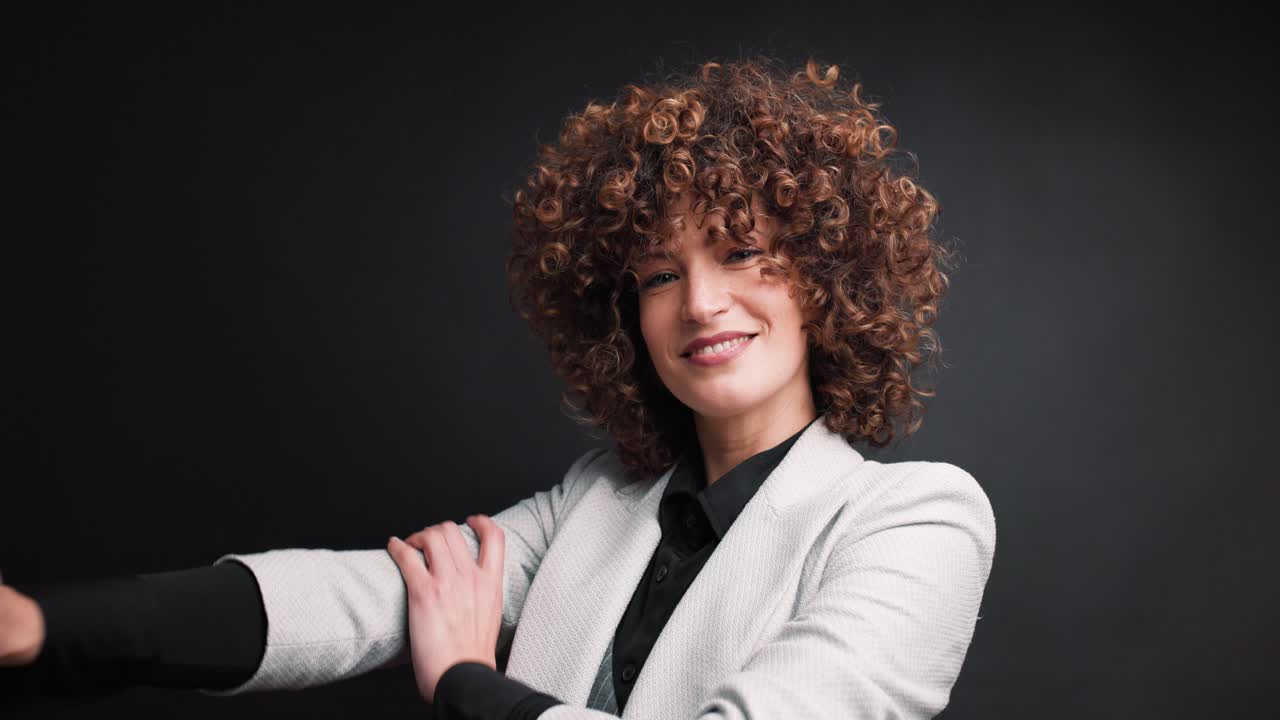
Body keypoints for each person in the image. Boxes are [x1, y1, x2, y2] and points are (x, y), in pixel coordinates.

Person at [0, 56, 997, 718]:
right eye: (655, 274)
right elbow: (361, 599)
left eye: (741, 253)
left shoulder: (916, 520)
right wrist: (46, 627)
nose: (697, 302)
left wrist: (466, 687)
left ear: (827, 278)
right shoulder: (594, 503)